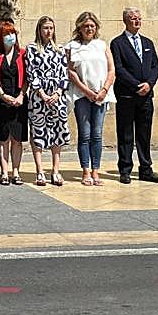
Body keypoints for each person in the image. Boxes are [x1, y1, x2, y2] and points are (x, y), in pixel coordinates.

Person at [110, 7, 158, 184]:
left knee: (144, 134)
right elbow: (119, 68)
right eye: (133, 18)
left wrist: (149, 84)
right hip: (126, 96)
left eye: (139, 18)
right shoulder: (117, 43)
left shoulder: (147, 43)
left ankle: (146, 169)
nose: (137, 21)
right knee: (125, 134)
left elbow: (155, 67)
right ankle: (125, 169)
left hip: (146, 97)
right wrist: (136, 85)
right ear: (125, 20)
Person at [66, 11, 114, 186]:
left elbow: (111, 69)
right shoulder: (72, 46)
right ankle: (85, 170)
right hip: (82, 95)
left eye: (92, 26)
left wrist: (104, 89)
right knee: (85, 134)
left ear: (96, 27)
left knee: (97, 134)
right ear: (79, 27)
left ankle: (96, 170)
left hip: (101, 95)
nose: (89, 29)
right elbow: (71, 71)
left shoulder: (102, 45)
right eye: (86, 26)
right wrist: (86, 91)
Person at [26, 15, 68, 187]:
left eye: (51, 28)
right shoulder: (32, 49)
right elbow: (31, 72)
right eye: (45, 28)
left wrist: (58, 92)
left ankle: (56, 170)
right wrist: (42, 94)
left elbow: (64, 73)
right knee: (38, 131)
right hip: (39, 97)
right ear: (39, 30)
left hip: (57, 97)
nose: (48, 31)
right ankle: (40, 171)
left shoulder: (60, 49)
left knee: (58, 131)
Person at [0, 18, 28, 185]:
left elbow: (28, 77)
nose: (10, 36)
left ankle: (16, 172)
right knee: (3, 138)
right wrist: (2, 94)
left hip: (19, 100)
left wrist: (21, 95)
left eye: (12, 33)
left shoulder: (22, 54)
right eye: (7, 34)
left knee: (17, 139)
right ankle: (4, 173)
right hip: (2, 101)